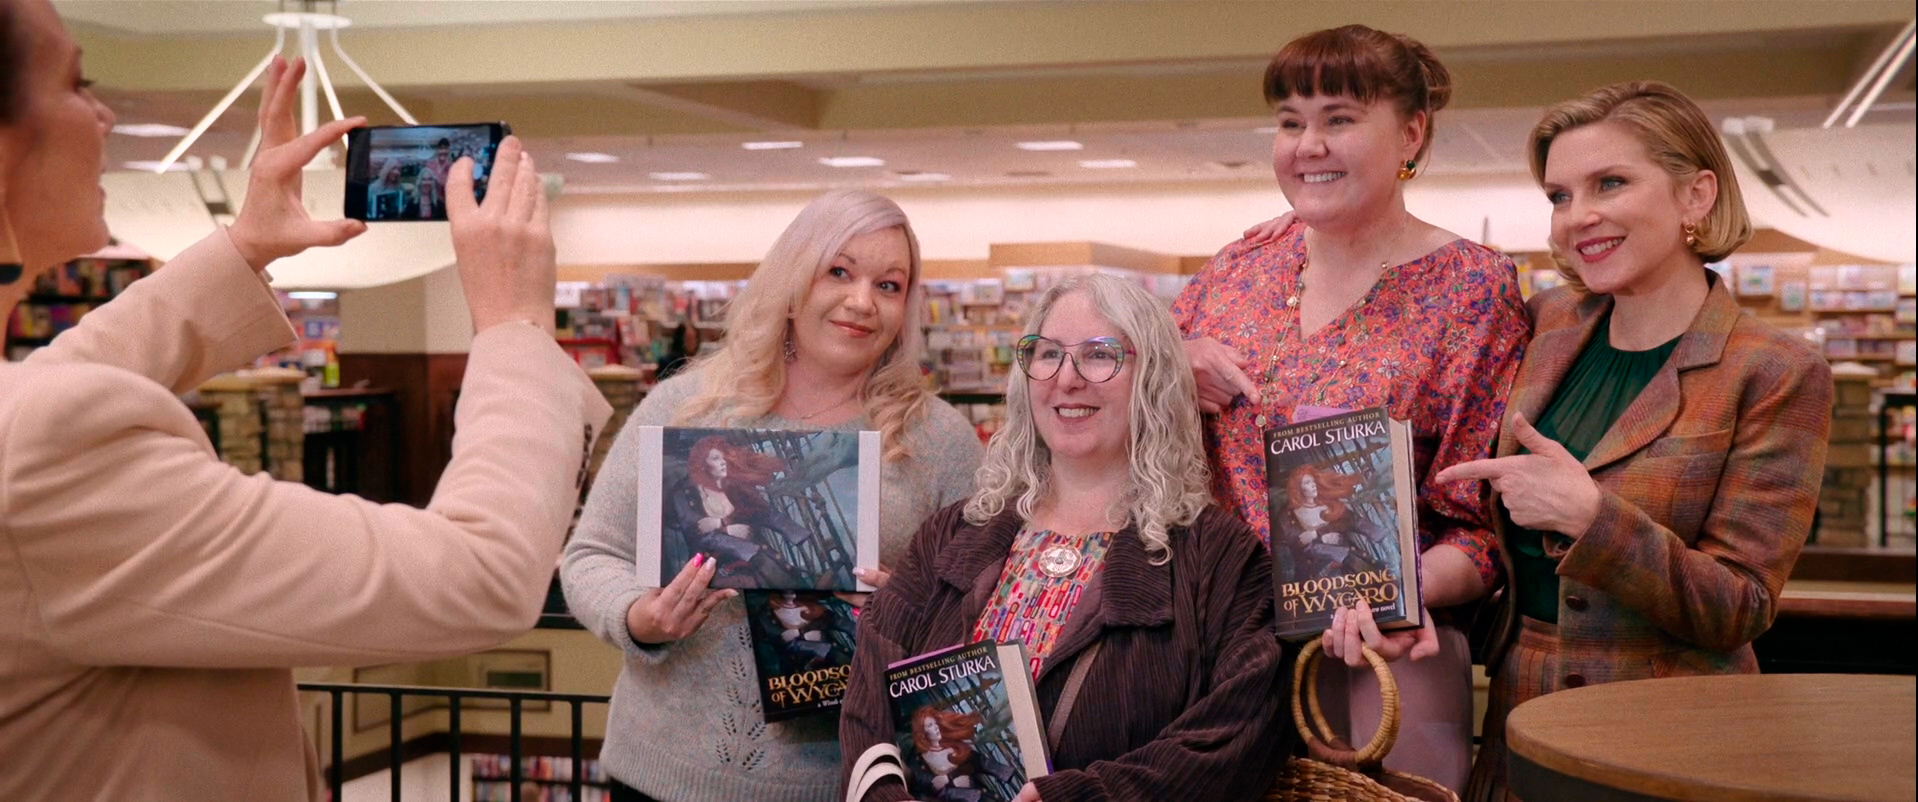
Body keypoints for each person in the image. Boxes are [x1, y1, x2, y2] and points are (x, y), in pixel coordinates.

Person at [0, 1, 609, 798]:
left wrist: (245, 247)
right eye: (78, 84)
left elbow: (45, 393)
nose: (106, 114)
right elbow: (479, 576)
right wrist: (515, 326)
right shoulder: (45, 447)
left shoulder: (32, 426)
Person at [1438, 80, 1833, 802]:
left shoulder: (1773, 370)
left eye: (1610, 183)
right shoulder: (1547, 323)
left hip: (1673, 731)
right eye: (1559, 196)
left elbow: (1740, 605)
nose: (1577, 217)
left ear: (1696, 196)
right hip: (1518, 716)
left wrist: (1592, 518)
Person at [1172, 24, 1529, 792]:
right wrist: (1174, 359)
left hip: (1383, 658)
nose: (1309, 145)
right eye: (1290, 121)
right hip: (1218, 653)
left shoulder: (1471, 289)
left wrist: (1400, 590)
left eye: (1339, 119)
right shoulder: (1237, 271)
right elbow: (1120, 400)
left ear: (1411, 133)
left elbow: (1482, 526)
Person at [561, 189, 984, 802]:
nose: (861, 301)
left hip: (839, 782)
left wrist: (910, 613)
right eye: (838, 272)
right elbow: (593, 553)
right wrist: (638, 617)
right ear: (793, 279)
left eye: (889, 286)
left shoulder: (939, 439)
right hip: (660, 773)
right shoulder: (687, 405)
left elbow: (981, 606)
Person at [841, 273, 1288, 802]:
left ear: (1155, 377)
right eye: (1049, 353)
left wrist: (1080, 796)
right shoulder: (952, 534)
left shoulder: (1220, 559)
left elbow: (1237, 738)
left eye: (1099, 355)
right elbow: (868, 705)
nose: (1067, 378)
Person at [667, 434, 806, 588]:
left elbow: (764, 513)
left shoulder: (734, 487)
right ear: (702, 464)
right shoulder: (685, 495)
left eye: (724, 457)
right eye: (716, 458)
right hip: (716, 564)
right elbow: (698, 535)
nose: (723, 462)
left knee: (784, 577)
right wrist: (728, 530)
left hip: (755, 553)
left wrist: (798, 533)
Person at [1274, 463, 1388, 583]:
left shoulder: (1327, 504)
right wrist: (1322, 539)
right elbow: (1298, 545)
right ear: (1298, 488)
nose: (1313, 485)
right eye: (1307, 482)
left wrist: (1383, 536)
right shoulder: (1288, 516)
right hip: (1317, 571)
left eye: (1313, 481)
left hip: (1350, 557)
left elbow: (1353, 521)